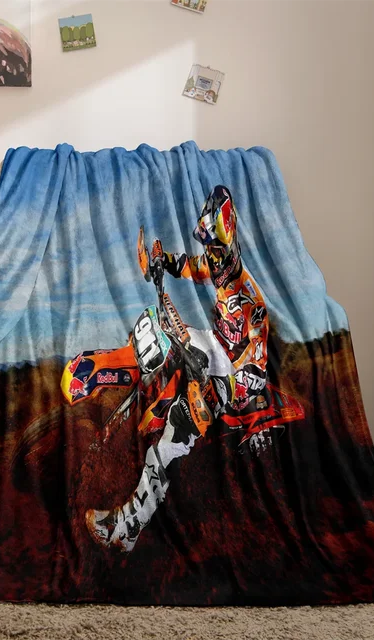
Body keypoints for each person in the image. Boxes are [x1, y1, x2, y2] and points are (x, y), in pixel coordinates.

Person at [86, 185, 275, 552]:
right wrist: (162, 262)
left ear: (230, 247)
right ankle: (121, 384)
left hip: (229, 376)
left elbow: (256, 372)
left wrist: (220, 390)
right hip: (213, 345)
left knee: (175, 433)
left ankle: (128, 527)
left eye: (216, 250)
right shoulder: (218, 267)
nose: (212, 257)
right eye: (210, 250)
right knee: (158, 330)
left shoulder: (252, 303)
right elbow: (190, 266)